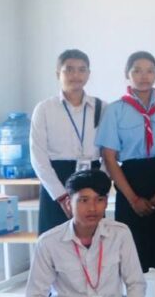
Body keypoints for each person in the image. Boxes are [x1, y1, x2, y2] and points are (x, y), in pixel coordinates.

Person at [96, 51, 155, 275]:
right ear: (127, 74)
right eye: (137, 71)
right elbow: (109, 157)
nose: (144, 76)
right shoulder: (115, 110)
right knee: (132, 255)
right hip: (130, 181)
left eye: (150, 71)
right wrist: (133, 199)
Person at [26, 170, 145, 297]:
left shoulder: (120, 234)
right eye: (84, 200)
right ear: (69, 204)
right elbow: (36, 296)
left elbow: (136, 284)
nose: (92, 208)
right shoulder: (49, 242)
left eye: (99, 200)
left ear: (106, 203)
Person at [30, 49, 104, 234]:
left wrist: (100, 187)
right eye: (69, 69)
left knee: (93, 240)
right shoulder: (44, 109)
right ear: (58, 74)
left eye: (81, 69)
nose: (75, 75)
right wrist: (62, 196)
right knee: (54, 239)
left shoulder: (102, 107)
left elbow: (110, 152)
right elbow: (38, 157)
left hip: (92, 179)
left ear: (88, 74)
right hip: (57, 180)